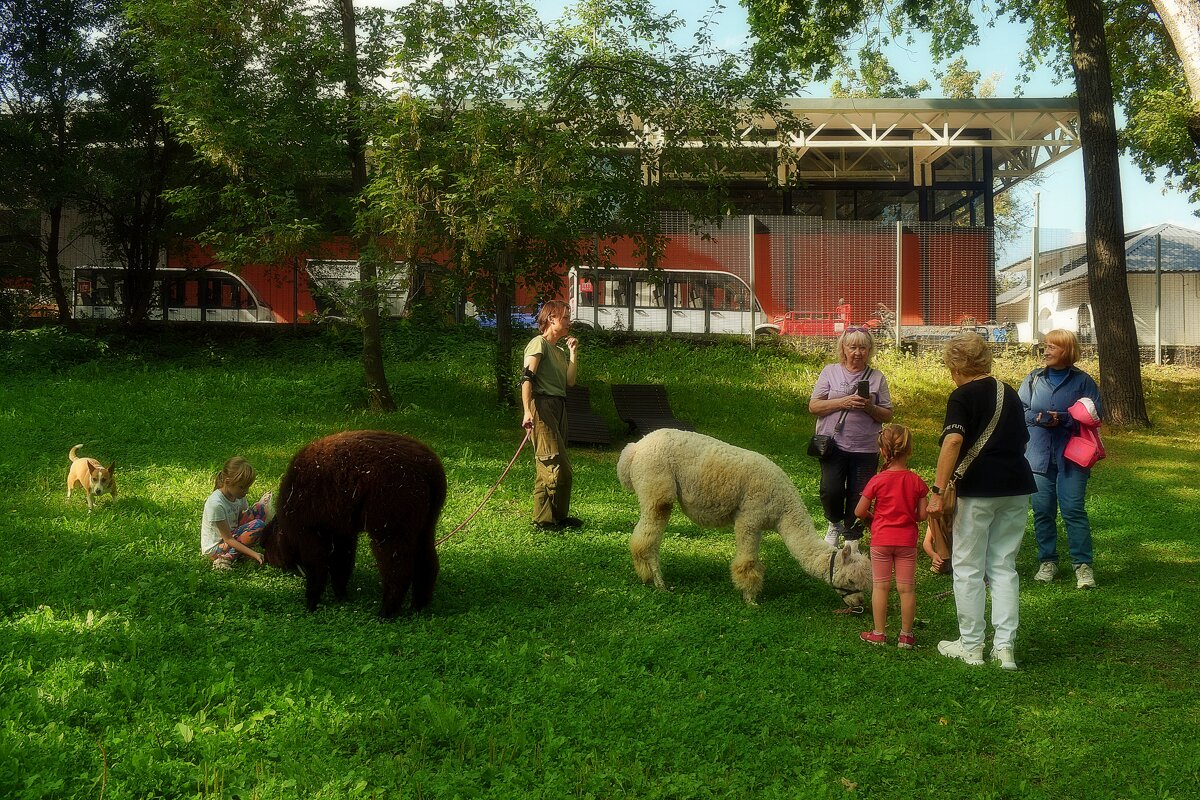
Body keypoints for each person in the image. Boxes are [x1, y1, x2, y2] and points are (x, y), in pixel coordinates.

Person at [928, 333, 1036, 671]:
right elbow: (1023, 437)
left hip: (978, 490)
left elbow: (953, 441)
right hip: (1017, 484)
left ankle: (971, 646)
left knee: (968, 568)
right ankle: (1005, 650)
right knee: (1003, 567)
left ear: (957, 366)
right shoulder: (1011, 392)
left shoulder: (962, 395)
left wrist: (937, 489)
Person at [1018, 329, 1103, 589]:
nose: (1046, 351)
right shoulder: (1033, 378)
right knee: (1043, 511)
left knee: (1073, 510)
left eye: (1052, 347)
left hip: (1073, 458)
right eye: (1046, 346)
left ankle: (1083, 566)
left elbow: (1097, 413)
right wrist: (1039, 418)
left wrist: (1065, 418)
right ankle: (1048, 561)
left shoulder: (1083, 381)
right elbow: (1020, 411)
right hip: (1039, 456)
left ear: (1066, 351)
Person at [808, 327, 894, 556]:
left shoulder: (876, 377)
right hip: (833, 444)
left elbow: (887, 415)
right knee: (831, 490)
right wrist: (844, 402)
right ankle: (834, 524)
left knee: (859, 494)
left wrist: (869, 407)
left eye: (863, 347)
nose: (857, 352)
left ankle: (851, 536)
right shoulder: (830, 372)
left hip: (865, 447)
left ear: (869, 351)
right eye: (852, 347)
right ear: (843, 349)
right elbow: (814, 406)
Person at [854, 425, 928, 649]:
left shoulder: (877, 480)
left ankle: (879, 633)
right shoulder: (916, 482)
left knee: (881, 587)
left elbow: (859, 511)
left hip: (882, 540)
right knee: (907, 588)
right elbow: (923, 515)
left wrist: (873, 516)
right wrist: (909, 515)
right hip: (906, 541)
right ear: (909, 451)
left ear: (883, 452)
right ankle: (906, 636)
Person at [521, 299, 582, 531]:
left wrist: (573, 353)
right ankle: (552, 518)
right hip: (542, 406)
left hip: (559, 406)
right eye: (565, 317)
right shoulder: (538, 344)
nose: (569, 322)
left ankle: (547, 518)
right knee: (555, 464)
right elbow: (527, 378)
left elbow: (570, 381)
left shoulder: (558, 351)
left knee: (546, 464)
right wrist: (527, 411)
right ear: (551, 319)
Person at [200, 456, 270, 570]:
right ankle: (224, 559)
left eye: (248, 487)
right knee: (258, 525)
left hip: (232, 535)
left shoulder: (238, 495)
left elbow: (240, 517)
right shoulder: (216, 504)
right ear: (228, 482)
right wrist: (254, 554)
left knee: (260, 508)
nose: (246, 491)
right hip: (217, 547)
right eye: (242, 488)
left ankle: (243, 547)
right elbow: (228, 539)